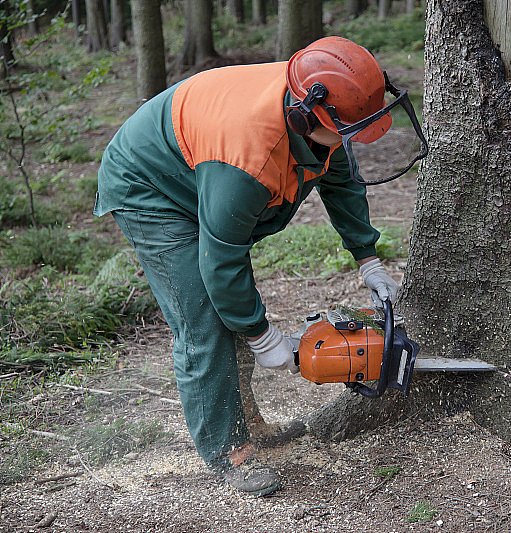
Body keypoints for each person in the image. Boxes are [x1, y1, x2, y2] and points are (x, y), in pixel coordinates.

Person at [93, 36, 427, 497]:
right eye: (347, 130)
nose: (351, 139)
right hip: (150, 186)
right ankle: (227, 451)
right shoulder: (249, 158)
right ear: (305, 118)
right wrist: (264, 337)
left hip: (203, 168)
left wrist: (369, 261)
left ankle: (248, 419)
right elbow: (222, 263)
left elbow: (341, 179)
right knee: (206, 321)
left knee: (229, 307)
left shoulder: (318, 100)